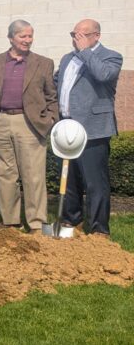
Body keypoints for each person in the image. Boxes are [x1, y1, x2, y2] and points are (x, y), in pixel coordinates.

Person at [0, 20, 58, 231]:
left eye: (30, 36)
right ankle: (11, 221)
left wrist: (51, 120)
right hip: (0, 122)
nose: (27, 40)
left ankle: (36, 223)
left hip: (30, 123)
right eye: (22, 36)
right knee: (5, 174)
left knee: (33, 175)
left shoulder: (44, 63)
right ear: (10, 38)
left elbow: (51, 95)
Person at [56, 18, 122, 236]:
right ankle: (71, 221)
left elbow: (103, 75)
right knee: (70, 179)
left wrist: (85, 51)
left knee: (95, 182)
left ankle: (98, 229)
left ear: (96, 36)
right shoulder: (68, 59)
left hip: (93, 129)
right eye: (74, 34)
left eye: (82, 35)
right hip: (66, 127)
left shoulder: (111, 56)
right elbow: (58, 84)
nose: (77, 39)